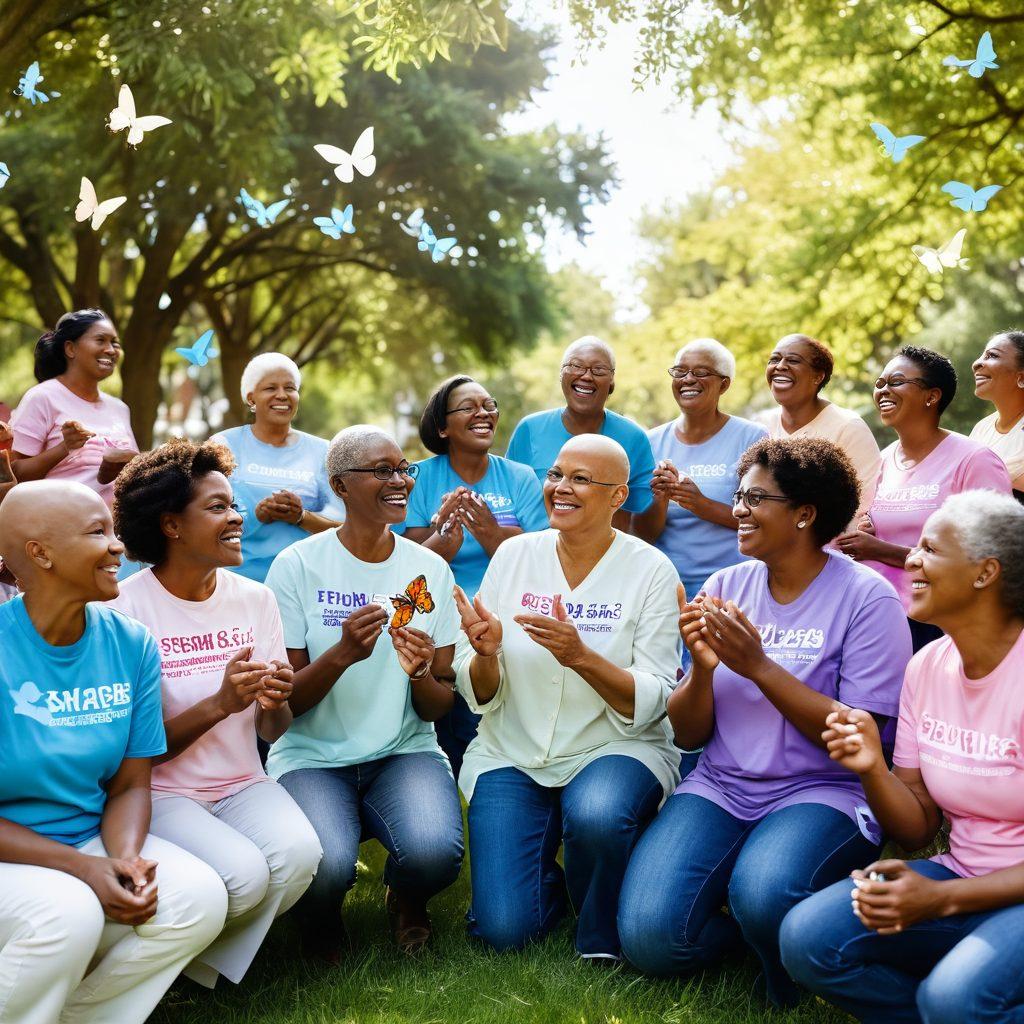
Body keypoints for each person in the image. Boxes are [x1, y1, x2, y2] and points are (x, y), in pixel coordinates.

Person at [617, 437, 912, 1006]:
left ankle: (785, 955)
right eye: (739, 495)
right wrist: (702, 674)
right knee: (651, 939)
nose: (738, 510)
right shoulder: (726, 587)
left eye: (756, 498)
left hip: (824, 791)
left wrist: (757, 667)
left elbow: (858, 734)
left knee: (764, 890)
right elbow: (689, 734)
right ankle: (757, 942)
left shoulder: (867, 599)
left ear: (805, 514)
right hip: (721, 785)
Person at [781, 490, 1024, 1024]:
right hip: (962, 874)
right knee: (807, 938)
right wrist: (870, 767)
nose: (909, 558)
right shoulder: (926, 666)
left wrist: (939, 903)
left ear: (985, 573)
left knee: (954, 1000)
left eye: (929, 549)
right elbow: (916, 830)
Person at [0, 480, 227, 1024]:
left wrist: (123, 859)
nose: (119, 545)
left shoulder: (130, 643)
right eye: (97, 531)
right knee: (69, 912)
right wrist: (82, 868)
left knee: (199, 898)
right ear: (40, 553)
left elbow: (130, 782)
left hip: (87, 836)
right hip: (14, 853)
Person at [453, 434, 681, 961]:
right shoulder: (514, 555)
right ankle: (545, 881)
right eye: (556, 475)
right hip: (514, 748)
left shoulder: (650, 571)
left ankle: (601, 928)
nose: (561, 488)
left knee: (599, 814)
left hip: (614, 747)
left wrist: (581, 656)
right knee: (504, 930)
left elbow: (655, 697)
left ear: (618, 497)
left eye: (581, 479)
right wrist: (485, 655)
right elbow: (479, 688)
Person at [109, 440, 322, 988]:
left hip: (243, 781)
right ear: (171, 526)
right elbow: (130, 751)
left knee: (300, 856)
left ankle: (194, 968)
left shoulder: (255, 598)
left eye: (235, 505)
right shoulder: (123, 611)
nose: (236, 518)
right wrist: (219, 705)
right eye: (218, 507)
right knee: (245, 877)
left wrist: (275, 703)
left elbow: (274, 729)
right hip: (160, 790)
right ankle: (181, 967)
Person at [264, 426, 463, 960]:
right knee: (323, 866)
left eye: (403, 469)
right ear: (340, 485)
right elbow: (285, 706)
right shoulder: (297, 566)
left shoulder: (429, 571)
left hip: (402, 751)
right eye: (382, 470)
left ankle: (406, 894)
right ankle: (321, 915)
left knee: (435, 852)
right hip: (310, 755)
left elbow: (439, 705)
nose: (399, 480)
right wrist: (343, 653)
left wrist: (421, 673)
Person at [394, 375, 546, 778]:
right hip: (438, 615)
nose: (484, 413)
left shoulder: (520, 477)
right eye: (468, 407)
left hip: (505, 614)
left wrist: (491, 533)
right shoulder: (418, 477)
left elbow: (540, 559)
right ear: (442, 427)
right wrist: (442, 542)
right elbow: (404, 562)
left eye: (489, 405)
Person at [836, 346, 1011, 651]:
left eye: (897, 381)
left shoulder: (974, 459)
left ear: (932, 396)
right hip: (879, 618)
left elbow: (994, 555)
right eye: (880, 384)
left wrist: (884, 550)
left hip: (943, 625)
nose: (883, 390)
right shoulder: (884, 459)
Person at [634, 338, 767, 601]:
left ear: (724, 384)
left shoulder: (752, 438)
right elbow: (642, 534)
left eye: (701, 372)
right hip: (666, 586)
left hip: (734, 587)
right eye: (680, 371)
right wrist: (660, 499)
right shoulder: (650, 443)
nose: (688, 379)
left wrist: (700, 504)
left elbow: (765, 519)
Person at [210, 353, 342, 584]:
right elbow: (202, 518)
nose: (282, 395)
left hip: (305, 583)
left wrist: (301, 517)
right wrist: (256, 516)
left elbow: (346, 527)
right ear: (251, 399)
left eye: (290, 388)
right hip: (236, 580)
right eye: (270, 388)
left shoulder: (324, 452)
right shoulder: (223, 445)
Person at [506, 336, 655, 529]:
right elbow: (510, 504)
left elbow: (641, 521)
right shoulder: (529, 429)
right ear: (561, 375)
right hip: (538, 551)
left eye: (599, 370)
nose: (586, 376)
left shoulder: (633, 437)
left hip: (605, 555)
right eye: (576, 366)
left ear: (611, 382)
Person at [9, 310, 138, 505]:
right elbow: (14, 473)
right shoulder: (43, 397)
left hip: (116, 529)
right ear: (70, 349)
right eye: (100, 340)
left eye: (114, 342)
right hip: (61, 526)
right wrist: (64, 447)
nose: (111, 350)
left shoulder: (120, 408)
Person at [761, 333, 880, 523]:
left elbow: (864, 505)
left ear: (818, 376)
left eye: (793, 360)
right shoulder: (761, 425)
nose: (780, 366)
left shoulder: (847, 427)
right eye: (774, 359)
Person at [969, 329, 1024, 500]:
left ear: (1021, 378)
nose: (976, 363)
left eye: (992, 356)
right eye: (981, 356)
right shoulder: (981, 429)